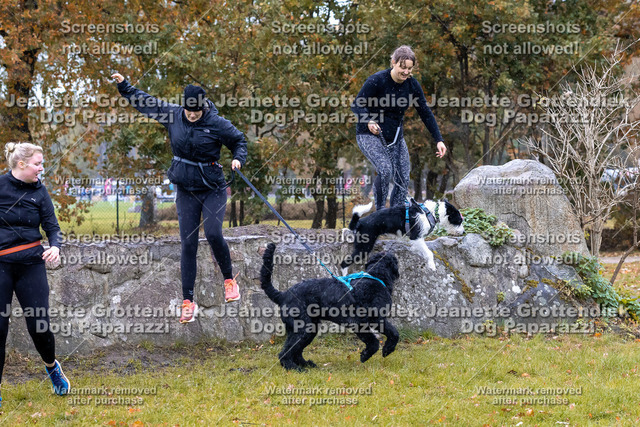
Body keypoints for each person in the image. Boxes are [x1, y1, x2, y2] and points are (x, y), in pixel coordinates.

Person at [111, 73, 248, 323]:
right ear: (184, 106)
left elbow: (239, 140)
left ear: (203, 107)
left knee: (214, 233)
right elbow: (147, 103)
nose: (192, 115)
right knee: (188, 243)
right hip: (186, 189)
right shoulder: (173, 114)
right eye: (189, 111)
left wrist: (238, 158)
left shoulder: (216, 122)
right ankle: (188, 302)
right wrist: (124, 87)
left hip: (212, 188)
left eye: (196, 112)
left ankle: (229, 280)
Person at [0, 142, 70, 405]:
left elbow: (53, 227)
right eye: (38, 164)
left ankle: (52, 367)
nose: (42, 168)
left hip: (31, 264)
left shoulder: (40, 191)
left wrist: (55, 246)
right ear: (21, 164)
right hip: (1, 265)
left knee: (39, 325)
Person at [351, 45, 447, 210]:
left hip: (395, 136)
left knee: (403, 176)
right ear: (394, 63)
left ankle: (397, 213)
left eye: (410, 69)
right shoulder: (377, 80)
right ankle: (380, 212)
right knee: (385, 169)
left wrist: (438, 139)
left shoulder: (412, 85)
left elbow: (425, 113)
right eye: (403, 68)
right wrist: (368, 120)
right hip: (368, 134)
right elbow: (357, 104)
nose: (406, 72)